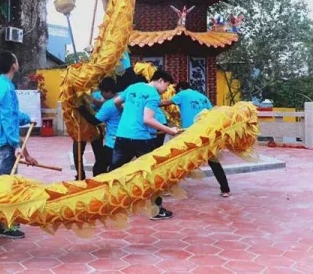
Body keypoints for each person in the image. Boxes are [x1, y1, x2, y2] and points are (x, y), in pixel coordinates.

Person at [112, 70, 179, 220]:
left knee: (114, 173)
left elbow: (116, 102)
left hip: (122, 135)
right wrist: (170, 130)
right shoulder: (153, 94)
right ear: (161, 80)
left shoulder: (133, 87)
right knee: (153, 174)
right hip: (140, 139)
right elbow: (147, 119)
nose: (166, 90)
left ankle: (109, 206)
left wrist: (125, 112)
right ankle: (156, 211)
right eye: (167, 86)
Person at [161, 82, 230, 197]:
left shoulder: (182, 94)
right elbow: (212, 112)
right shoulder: (202, 96)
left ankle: (169, 187)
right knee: (214, 162)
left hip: (191, 134)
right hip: (206, 133)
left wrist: (150, 102)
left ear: (181, 89)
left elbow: (166, 103)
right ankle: (225, 189)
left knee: (178, 160)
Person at [0, 51, 27, 239]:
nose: (18, 63)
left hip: (1, 140)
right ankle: (5, 226)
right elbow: (6, 118)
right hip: (5, 142)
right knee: (7, 183)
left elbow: (12, 114)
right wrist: (15, 143)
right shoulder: (5, 87)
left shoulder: (2, 85)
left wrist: (28, 118)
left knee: (0, 180)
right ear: (13, 65)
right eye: (17, 59)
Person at [77, 77, 121, 174]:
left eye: (102, 92)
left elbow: (95, 121)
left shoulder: (109, 105)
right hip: (125, 140)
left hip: (113, 143)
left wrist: (81, 109)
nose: (101, 94)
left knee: (98, 169)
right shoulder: (123, 97)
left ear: (109, 91)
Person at [72, 88, 107, 180]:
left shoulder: (99, 93)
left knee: (99, 153)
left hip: (95, 127)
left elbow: (101, 103)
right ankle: (80, 175)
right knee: (77, 153)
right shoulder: (75, 94)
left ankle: (98, 175)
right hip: (80, 128)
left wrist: (88, 99)